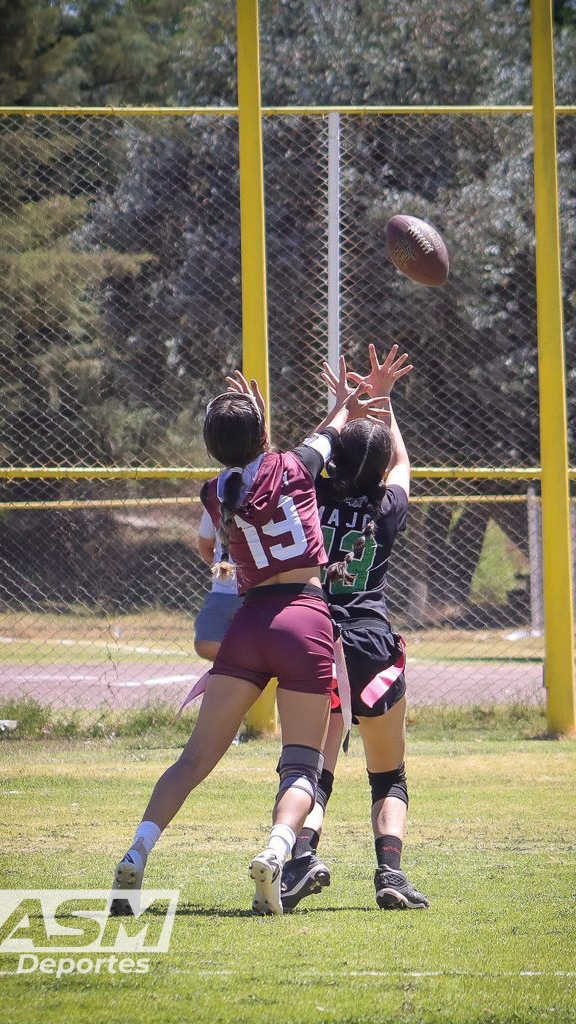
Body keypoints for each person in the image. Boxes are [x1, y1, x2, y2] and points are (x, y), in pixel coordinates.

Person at [110, 363, 386, 916]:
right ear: (263, 434)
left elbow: (238, 498)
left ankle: (138, 849)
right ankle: (276, 850)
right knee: (302, 764)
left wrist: (255, 426)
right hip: (303, 619)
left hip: (248, 623)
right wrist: (345, 404)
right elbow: (325, 437)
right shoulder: (294, 465)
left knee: (193, 758)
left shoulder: (216, 490)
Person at [280, 344, 429, 912]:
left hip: (318, 640)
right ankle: (389, 873)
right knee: (388, 772)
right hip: (370, 644)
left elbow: (304, 460)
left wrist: (342, 408)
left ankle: (301, 858)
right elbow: (401, 463)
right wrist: (383, 399)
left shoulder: (309, 496)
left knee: (315, 767)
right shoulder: (385, 507)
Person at [193, 509, 242, 662]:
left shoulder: (268, 500)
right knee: (206, 643)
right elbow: (205, 546)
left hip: (258, 593)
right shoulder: (214, 502)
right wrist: (223, 572)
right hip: (222, 592)